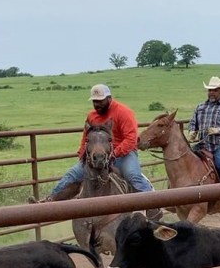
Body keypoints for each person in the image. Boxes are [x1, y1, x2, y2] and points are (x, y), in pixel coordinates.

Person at [34, 83, 161, 218]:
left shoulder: (124, 112)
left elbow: (131, 139)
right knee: (72, 174)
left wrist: (114, 154)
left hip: (123, 153)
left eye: (100, 101)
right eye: (94, 101)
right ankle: (48, 203)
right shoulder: (91, 116)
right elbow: (86, 138)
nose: (97, 104)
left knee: (132, 175)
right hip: (96, 154)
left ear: (109, 99)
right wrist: (83, 155)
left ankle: (153, 206)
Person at [188, 76, 220, 189]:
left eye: (215, 90)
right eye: (210, 90)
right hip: (203, 145)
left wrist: (219, 130)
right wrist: (192, 131)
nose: (212, 93)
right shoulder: (200, 107)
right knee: (184, 160)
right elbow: (193, 122)